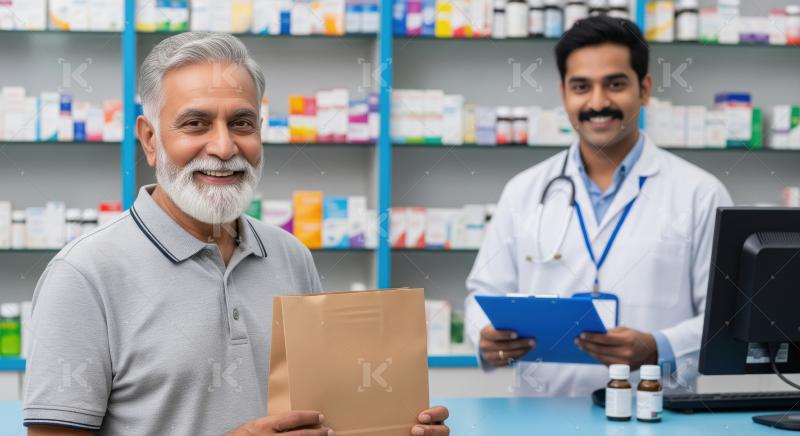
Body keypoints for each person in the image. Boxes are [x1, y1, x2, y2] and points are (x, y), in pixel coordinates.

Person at [23, 32, 449, 436]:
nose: (224, 148)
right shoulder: (84, 275)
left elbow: (321, 415)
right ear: (150, 139)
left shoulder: (290, 255)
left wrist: (389, 423)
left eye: (242, 123)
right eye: (196, 124)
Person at [464, 16, 733, 397]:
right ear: (563, 94)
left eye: (615, 84)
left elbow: (724, 320)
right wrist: (485, 336)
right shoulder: (523, 191)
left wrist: (659, 348)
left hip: (657, 415)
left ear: (644, 89)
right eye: (581, 87)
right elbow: (482, 292)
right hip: (542, 414)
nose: (597, 102)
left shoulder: (700, 193)